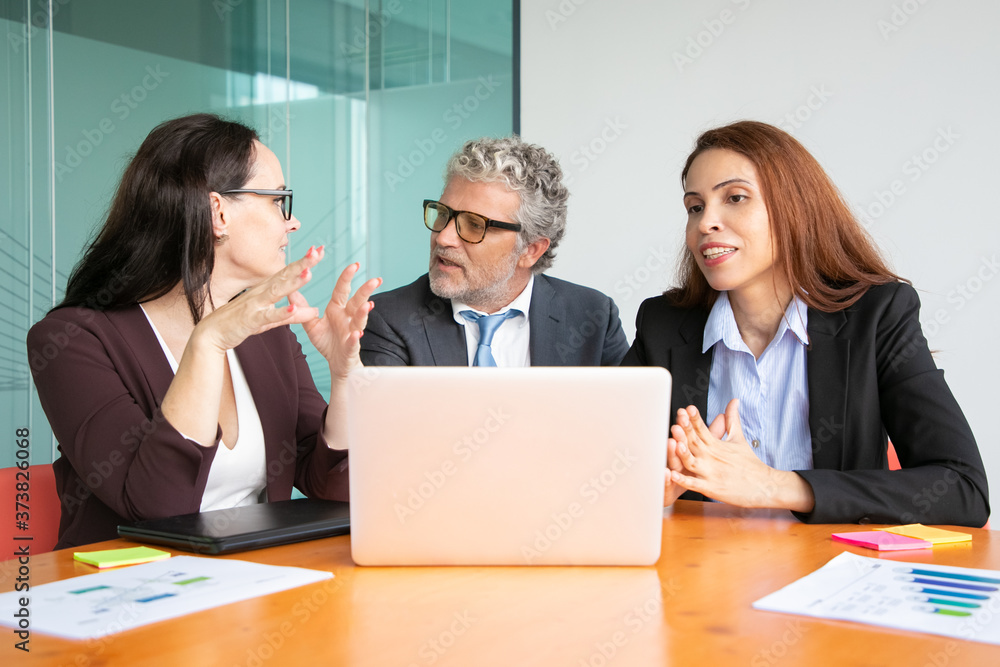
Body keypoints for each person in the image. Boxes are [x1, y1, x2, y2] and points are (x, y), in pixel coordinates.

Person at [27, 113, 381, 547]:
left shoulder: (266, 330)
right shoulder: (73, 341)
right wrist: (208, 343)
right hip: (130, 596)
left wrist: (345, 377)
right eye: (277, 200)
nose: (292, 222)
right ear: (218, 213)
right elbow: (156, 506)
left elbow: (330, 485)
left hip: (257, 582)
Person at [622, 120, 989, 527]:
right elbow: (597, 471)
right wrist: (647, 489)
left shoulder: (877, 315)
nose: (706, 222)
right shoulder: (662, 324)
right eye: (695, 207)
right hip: (703, 576)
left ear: (793, 208)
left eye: (735, 197)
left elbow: (962, 489)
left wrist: (775, 486)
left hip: (830, 575)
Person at [360, 136, 629, 367]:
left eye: (474, 225)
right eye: (443, 214)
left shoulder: (593, 316)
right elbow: (384, 426)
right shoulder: (389, 319)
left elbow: (627, 419)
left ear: (531, 250)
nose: (443, 237)